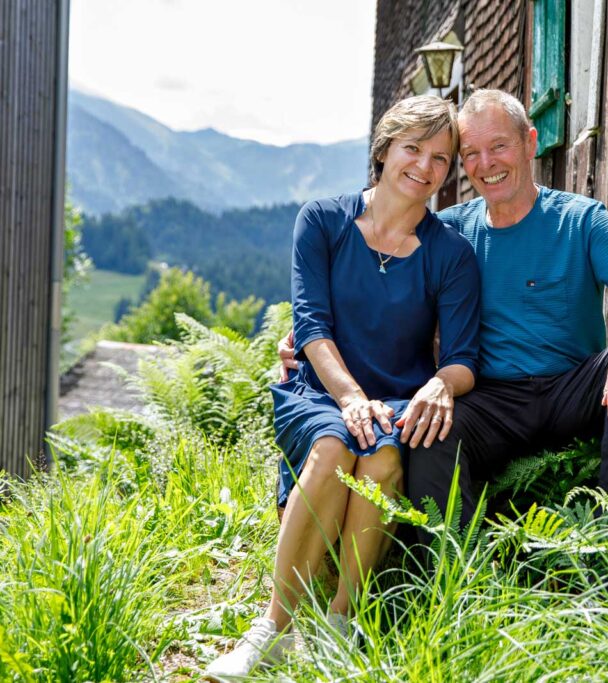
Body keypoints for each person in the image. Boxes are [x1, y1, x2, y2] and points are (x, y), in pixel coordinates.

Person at [280, 88, 608, 544]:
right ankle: (454, 569)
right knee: (427, 431)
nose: (486, 163)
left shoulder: (580, 218)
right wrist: (303, 341)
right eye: (471, 153)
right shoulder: (450, 232)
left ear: (529, 143)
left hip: (572, 386)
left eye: (499, 146)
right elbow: (380, 291)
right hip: (489, 398)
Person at [204, 95, 480, 681]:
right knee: (333, 448)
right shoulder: (323, 220)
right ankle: (273, 629)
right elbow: (310, 325)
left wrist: (438, 386)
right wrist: (350, 398)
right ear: (383, 152)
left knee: (380, 458)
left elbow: (462, 359)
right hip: (319, 390)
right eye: (412, 149)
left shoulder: (451, 253)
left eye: (440, 157)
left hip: (399, 395)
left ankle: (339, 623)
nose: (425, 167)